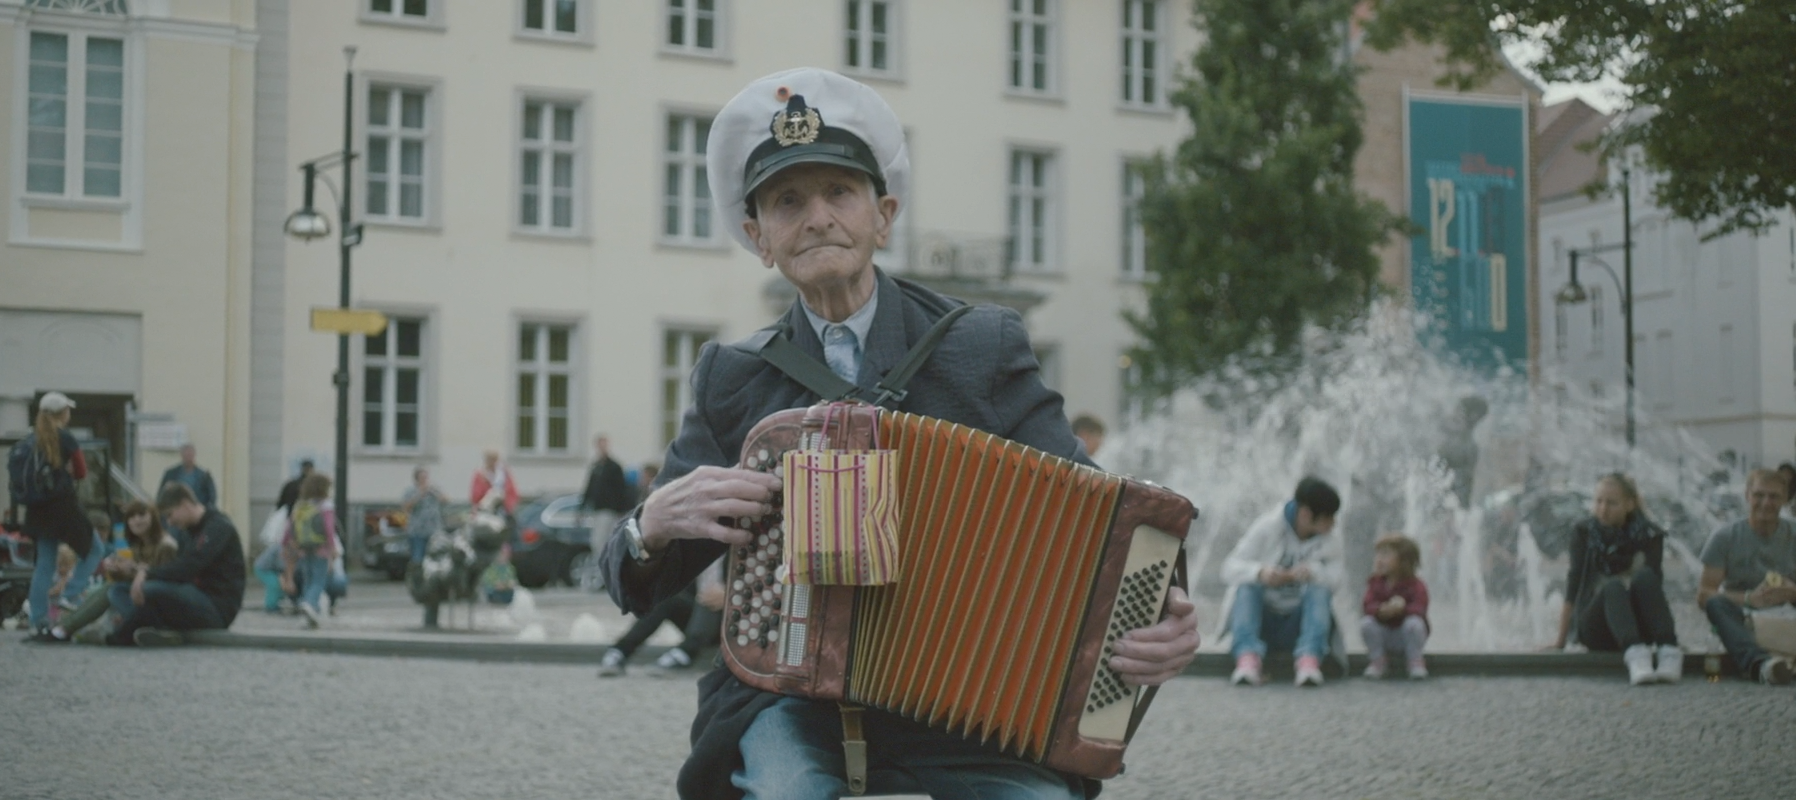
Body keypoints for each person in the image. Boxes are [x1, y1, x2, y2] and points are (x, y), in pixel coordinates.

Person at [598, 68, 1198, 799]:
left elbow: (1103, 521)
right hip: (786, 698)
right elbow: (645, 576)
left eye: (839, 193)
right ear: (759, 237)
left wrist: (1161, 612)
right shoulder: (732, 376)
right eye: (788, 201)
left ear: (883, 216)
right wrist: (648, 527)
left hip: (963, 707)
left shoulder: (980, 345)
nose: (817, 216)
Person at [1697, 469, 1796, 686]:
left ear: (1785, 500)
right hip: (1745, 613)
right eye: (1759, 495)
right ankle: (1760, 664)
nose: (1766, 503)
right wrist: (1750, 598)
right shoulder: (1724, 537)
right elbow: (1704, 594)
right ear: (1747, 496)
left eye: (1774, 496)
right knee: (1716, 604)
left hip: (1792, 607)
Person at [1548, 473, 1681, 684]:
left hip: (1637, 623)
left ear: (1629, 505)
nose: (1603, 509)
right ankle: (1637, 658)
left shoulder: (1650, 535)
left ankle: (1669, 653)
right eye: (1598, 501)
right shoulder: (1584, 533)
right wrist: (1560, 641)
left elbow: (1654, 590)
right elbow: (1573, 584)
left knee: (1646, 576)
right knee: (1613, 587)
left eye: (1611, 503)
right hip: (1596, 626)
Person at [1221, 476, 1344, 687]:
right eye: (1328, 517)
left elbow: (1336, 581)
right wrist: (1260, 572)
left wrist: (1314, 572)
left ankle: (1309, 661)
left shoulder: (1331, 540)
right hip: (1264, 622)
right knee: (1246, 586)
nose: (1333, 523)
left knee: (1319, 590)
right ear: (1306, 514)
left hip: (1297, 624)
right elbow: (1229, 567)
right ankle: (1247, 659)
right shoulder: (1267, 527)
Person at [108, 482, 245, 647]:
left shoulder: (218, 527)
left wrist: (147, 574)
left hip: (215, 607)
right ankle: (155, 628)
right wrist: (137, 572)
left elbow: (188, 567)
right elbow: (175, 568)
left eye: (170, 514)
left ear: (185, 505)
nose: (170, 522)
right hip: (189, 597)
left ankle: (134, 629)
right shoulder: (187, 532)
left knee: (148, 589)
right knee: (117, 591)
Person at [18, 392, 100, 641]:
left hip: (37, 509)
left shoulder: (31, 438)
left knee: (44, 563)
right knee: (94, 549)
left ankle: (38, 619)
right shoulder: (65, 437)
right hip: (64, 507)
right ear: (62, 413)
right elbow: (81, 471)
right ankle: (71, 594)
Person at [39, 502, 180, 643]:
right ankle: (65, 627)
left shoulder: (165, 545)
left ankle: (64, 629)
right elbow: (137, 577)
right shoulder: (138, 544)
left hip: (159, 604)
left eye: (142, 515)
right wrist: (118, 570)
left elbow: (161, 580)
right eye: (131, 517)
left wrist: (133, 570)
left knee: (112, 590)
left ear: (153, 517)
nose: (137, 520)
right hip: (143, 598)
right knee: (112, 588)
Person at [599, 558, 724, 678]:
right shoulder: (703, 550)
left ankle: (684, 653)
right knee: (666, 599)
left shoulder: (738, 547)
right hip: (700, 618)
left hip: (732, 622)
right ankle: (620, 651)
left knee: (710, 599)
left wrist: (729, 595)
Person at [1360, 533, 1430, 680]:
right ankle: (1378, 660)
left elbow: (1420, 608)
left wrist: (1402, 610)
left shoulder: (1417, 585)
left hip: (1406, 636)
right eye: (1378, 554)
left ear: (1404, 560)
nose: (1379, 559)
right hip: (1383, 634)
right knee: (1366, 623)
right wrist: (1380, 610)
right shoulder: (1375, 583)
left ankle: (1415, 661)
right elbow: (1367, 606)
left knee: (1414, 623)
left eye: (1385, 555)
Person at [280, 472, 339, 627]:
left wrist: (285, 544)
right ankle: (309, 604)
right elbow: (329, 528)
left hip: (303, 548)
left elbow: (289, 527)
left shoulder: (300, 505)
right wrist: (333, 547)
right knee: (319, 581)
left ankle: (309, 616)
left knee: (308, 580)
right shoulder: (326, 506)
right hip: (321, 549)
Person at [584, 435, 636, 557]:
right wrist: (583, 505)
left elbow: (621, 488)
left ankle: (604, 564)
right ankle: (601, 565)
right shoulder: (596, 466)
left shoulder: (613, 467)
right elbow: (590, 487)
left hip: (609, 508)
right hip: (597, 508)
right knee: (598, 540)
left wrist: (621, 508)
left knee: (602, 539)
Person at [401, 466, 448, 565]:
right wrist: (419, 494)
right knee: (418, 559)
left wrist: (435, 493)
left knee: (436, 557)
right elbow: (406, 508)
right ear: (416, 479)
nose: (425, 480)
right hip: (417, 530)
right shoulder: (410, 491)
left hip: (434, 530)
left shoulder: (434, 489)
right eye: (422, 477)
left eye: (426, 477)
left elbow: (446, 500)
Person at [159, 443, 217, 512]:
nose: (188, 458)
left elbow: (211, 499)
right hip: (176, 514)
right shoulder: (171, 474)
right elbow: (162, 495)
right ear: (181, 456)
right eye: (186, 455)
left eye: (190, 455)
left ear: (194, 455)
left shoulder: (204, 476)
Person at [471, 450, 518, 515]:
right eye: (490, 459)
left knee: (497, 493)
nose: (492, 462)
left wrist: (508, 505)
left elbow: (512, 492)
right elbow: (475, 495)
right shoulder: (480, 475)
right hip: (485, 509)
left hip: (502, 507)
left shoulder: (504, 474)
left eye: (494, 459)